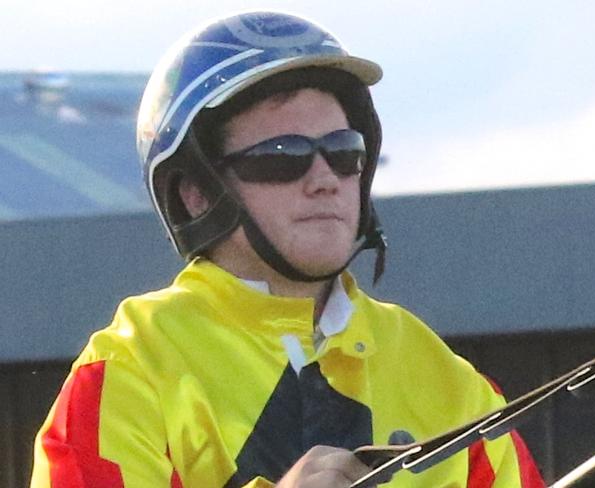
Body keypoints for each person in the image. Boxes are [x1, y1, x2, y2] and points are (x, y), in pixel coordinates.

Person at [30, 11, 545, 488]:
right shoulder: (130, 367)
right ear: (196, 192)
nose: (324, 179)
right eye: (283, 156)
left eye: (344, 153)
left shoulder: (449, 380)